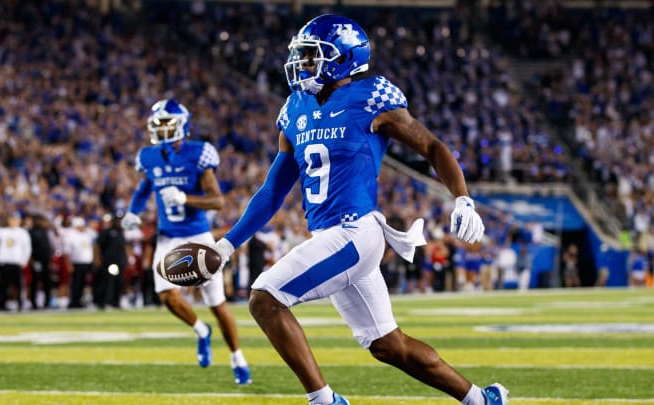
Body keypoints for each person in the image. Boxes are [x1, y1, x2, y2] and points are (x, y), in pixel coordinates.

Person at [208, 14, 508, 405]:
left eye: (313, 56)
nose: (304, 64)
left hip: (355, 232)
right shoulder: (294, 107)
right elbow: (272, 190)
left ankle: (324, 400)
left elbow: (432, 146)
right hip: (333, 237)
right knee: (388, 346)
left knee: (265, 298)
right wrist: (226, 246)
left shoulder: (372, 97)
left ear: (344, 58)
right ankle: (481, 400)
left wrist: (463, 198)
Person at [121, 98, 251, 385]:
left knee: (217, 303)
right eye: (159, 124)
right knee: (166, 294)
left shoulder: (199, 153)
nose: (164, 130)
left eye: (169, 123)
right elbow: (144, 188)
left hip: (197, 236)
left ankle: (236, 356)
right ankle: (200, 330)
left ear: (183, 125)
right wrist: (133, 211)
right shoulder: (149, 156)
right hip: (167, 237)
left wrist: (185, 198)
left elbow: (217, 200)